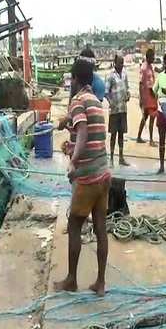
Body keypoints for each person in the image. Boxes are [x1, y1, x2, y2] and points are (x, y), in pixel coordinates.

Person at [54, 57, 111, 296]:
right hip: (104, 173)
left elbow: (85, 133)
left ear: (75, 79)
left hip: (87, 177)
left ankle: (71, 280)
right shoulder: (95, 101)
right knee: (100, 228)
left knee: (74, 225)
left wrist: (73, 162)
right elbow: (89, 134)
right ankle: (100, 283)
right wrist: (70, 136)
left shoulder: (77, 101)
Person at [105, 54, 130, 166]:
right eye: (119, 62)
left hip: (123, 109)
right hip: (114, 110)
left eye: (122, 62)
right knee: (113, 134)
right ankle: (111, 158)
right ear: (115, 63)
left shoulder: (124, 75)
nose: (121, 64)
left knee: (121, 134)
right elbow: (106, 92)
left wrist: (128, 95)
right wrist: (111, 103)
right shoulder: (110, 76)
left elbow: (127, 89)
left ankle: (121, 157)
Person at [137, 48, 157, 146]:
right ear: (148, 57)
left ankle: (139, 136)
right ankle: (151, 139)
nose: (154, 58)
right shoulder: (144, 68)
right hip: (148, 96)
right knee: (152, 117)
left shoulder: (150, 67)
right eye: (152, 57)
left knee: (145, 116)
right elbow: (141, 83)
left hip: (151, 94)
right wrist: (141, 98)